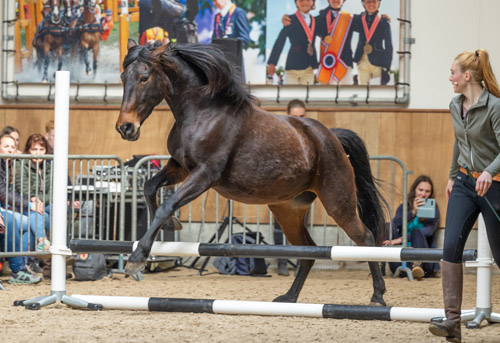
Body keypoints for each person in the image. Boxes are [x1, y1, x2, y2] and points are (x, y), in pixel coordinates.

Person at [428, 49, 500, 343]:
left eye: (453, 73)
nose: (450, 78)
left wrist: (488, 172)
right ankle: (452, 322)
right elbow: (460, 141)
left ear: (466, 76)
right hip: (464, 184)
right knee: (450, 249)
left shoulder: (495, 106)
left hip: (494, 185)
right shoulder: (455, 104)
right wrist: (451, 175)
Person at [0, 133, 43, 284]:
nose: (10, 150)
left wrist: (29, 199)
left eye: (13, 147)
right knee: (11, 221)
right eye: (6, 146)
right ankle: (17, 270)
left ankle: (22, 266)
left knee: (28, 222)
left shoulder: (8, 165)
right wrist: (29, 204)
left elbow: (11, 191)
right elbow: (3, 193)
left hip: (2, 209)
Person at [383, 175, 440, 280]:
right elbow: (396, 224)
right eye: (420, 190)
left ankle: (416, 266)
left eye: (427, 191)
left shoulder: (434, 211)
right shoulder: (404, 207)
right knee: (388, 226)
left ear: (430, 194)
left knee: (416, 232)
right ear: (414, 190)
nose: (423, 194)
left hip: (424, 263)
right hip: (402, 259)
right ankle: (380, 269)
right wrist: (413, 212)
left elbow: (427, 232)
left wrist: (400, 240)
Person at [267, 0, 318, 85]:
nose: (304, 3)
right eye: (301, 0)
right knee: (289, 96)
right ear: (296, 2)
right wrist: (272, 62)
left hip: (309, 68)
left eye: (308, 0)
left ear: (313, 2)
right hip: (292, 68)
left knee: (307, 96)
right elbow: (280, 40)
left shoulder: (317, 21)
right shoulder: (289, 19)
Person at [352, 0, 392, 85]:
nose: (371, 4)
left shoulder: (384, 22)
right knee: (362, 92)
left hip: (378, 63)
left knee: (376, 93)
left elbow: (389, 46)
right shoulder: (358, 19)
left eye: (374, 1)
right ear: (363, 3)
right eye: (368, 2)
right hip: (362, 60)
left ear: (379, 3)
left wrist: (387, 67)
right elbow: (344, 18)